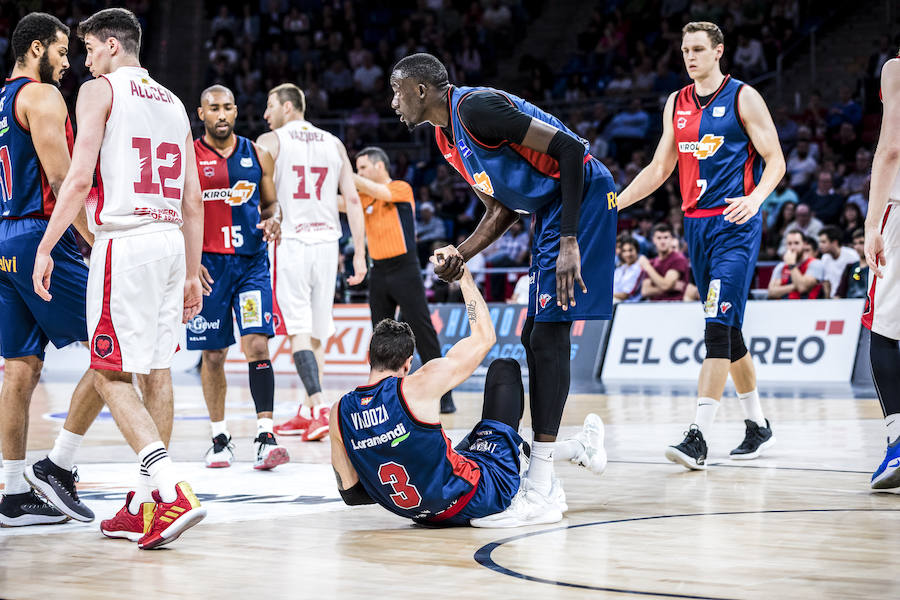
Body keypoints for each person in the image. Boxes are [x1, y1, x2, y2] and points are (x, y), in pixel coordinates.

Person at [389, 52, 617, 517]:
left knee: (549, 337)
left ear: (420, 90)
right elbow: (501, 211)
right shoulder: (445, 138)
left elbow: (572, 150)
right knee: (534, 336)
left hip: (583, 197)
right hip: (547, 211)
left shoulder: (475, 109)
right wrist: (460, 255)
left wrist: (569, 238)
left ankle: (543, 485)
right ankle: (562, 455)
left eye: (397, 92)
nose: (394, 103)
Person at [31, 8, 206, 549]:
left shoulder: (99, 90)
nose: (85, 61)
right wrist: (193, 273)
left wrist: (46, 245)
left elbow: (79, 176)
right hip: (171, 241)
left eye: (88, 49)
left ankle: (170, 491)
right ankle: (147, 503)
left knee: (109, 373)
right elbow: (194, 199)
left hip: (124, 242)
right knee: (156, 371)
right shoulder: (175, 101)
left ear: (111, 45)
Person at [616, 21, 785, 470]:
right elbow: (658, 168)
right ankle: (757, 425)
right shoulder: (676, 102)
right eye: (684, 50)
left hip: (734, 225)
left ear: (718, 52)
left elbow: (776, 160)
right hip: (696, 227)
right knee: (730, 331)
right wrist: (615, 202)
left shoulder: (744, 96)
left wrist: (755, 199)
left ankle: (698, 436)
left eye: (697, 49)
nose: (689, 57)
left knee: (715, 327)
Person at [330, 265, 606, 527]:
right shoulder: (418, 384)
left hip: (423, 514)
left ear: (368, 357)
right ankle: (543, 489)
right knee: (504, 369)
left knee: (459, 448)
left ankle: (580, 448)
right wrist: (465, 278)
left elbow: (352, 494)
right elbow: (485, 338)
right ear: (408, 363)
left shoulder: (339, 411)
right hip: (480, 495)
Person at [0, 13, 100, 527]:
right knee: (114, 340)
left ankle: (14, 494)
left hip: (5, 238)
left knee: (19, 370)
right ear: (37, 47)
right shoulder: (42, 97)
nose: (67, 63)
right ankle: (58, 465)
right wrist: (93, 240)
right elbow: (64, 179)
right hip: (43, 234)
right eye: (62, 51)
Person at [256, 83, 367, 440]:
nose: (265, 115)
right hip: (328, 244)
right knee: (316, 330)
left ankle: (319, 406)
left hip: (291, 241)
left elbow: (255, 188)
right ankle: (308, 410)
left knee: (299, 330)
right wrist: (360, 254)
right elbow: (352, 198)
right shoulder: (333, 143)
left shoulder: (272, 141)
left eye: (270, 106)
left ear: (288, 108)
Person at [189, 84, 289, 470]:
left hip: (250, 265)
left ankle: (266, 435)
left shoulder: (257, 153)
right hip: (209, 269)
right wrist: (189, 261)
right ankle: (220, 438)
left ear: (235, 111)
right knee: (213, 354)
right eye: (213, 108)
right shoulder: (188, 158)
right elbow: (180, 212)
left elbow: (270, 203)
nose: (221, 115)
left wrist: (275, 219)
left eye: (227, 108)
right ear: (201, 114)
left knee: (257, 347)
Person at [351, 145, 456, 413]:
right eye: (355, 169)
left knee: (422, 329)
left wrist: (344, 172)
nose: (358, 172)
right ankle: (381, 394)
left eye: (362, 167)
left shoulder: (400, 188)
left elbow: (375, 190)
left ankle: (444, 394)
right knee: (380, 336)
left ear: (378, 166)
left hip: (404, 269)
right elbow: (343, 202)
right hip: (379, 272)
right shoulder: (364, 199)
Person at [862, 52, 900, 490]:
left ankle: (897, 441)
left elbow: (892, 147)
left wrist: (872, 224)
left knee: (884, 332)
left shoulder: (895, 68)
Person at [638, 223, 689, 301]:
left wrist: (647, 267)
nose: (662, 241)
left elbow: (666, 285)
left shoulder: (678, 259)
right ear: (653, 240)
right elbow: (645, 291)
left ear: (671, 239)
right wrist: (672, 287)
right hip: (654, 307)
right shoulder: (652, 262)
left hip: (675, 305)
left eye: (666, 237)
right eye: (659, 238)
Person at [767, 231, 825, 299]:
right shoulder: (781, 266)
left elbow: (802, 288)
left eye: (796, 243)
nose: (793, 247)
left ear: (804, 244)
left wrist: (791, 264)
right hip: (783, 307)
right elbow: (771, 293)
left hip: (808, 307)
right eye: (789, 244)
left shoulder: (815, 264)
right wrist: (795, 285)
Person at [817, 225, 859, 298]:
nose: (820, 245)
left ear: (835, 242)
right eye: (820, 242)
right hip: (833, 300)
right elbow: (826, 282)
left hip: (850, 299)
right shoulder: (825, 258)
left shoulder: (852, 256)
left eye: (823, 242)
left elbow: (857, 280)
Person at [834, 228, 868, 299]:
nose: (857, 247)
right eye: (855, 243)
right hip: (850, 305)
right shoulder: (850, 267)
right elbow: (840, 293)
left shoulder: (878, 266)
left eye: (861, 243)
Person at [613, 235, 642, 302]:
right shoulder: (619, 269)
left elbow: (625, 295)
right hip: (614, 302)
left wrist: (607, 295)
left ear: (637, 250)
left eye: (630, 250)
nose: (627, 254)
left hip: (630, 305)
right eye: (624, 251)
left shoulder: (639, 268)